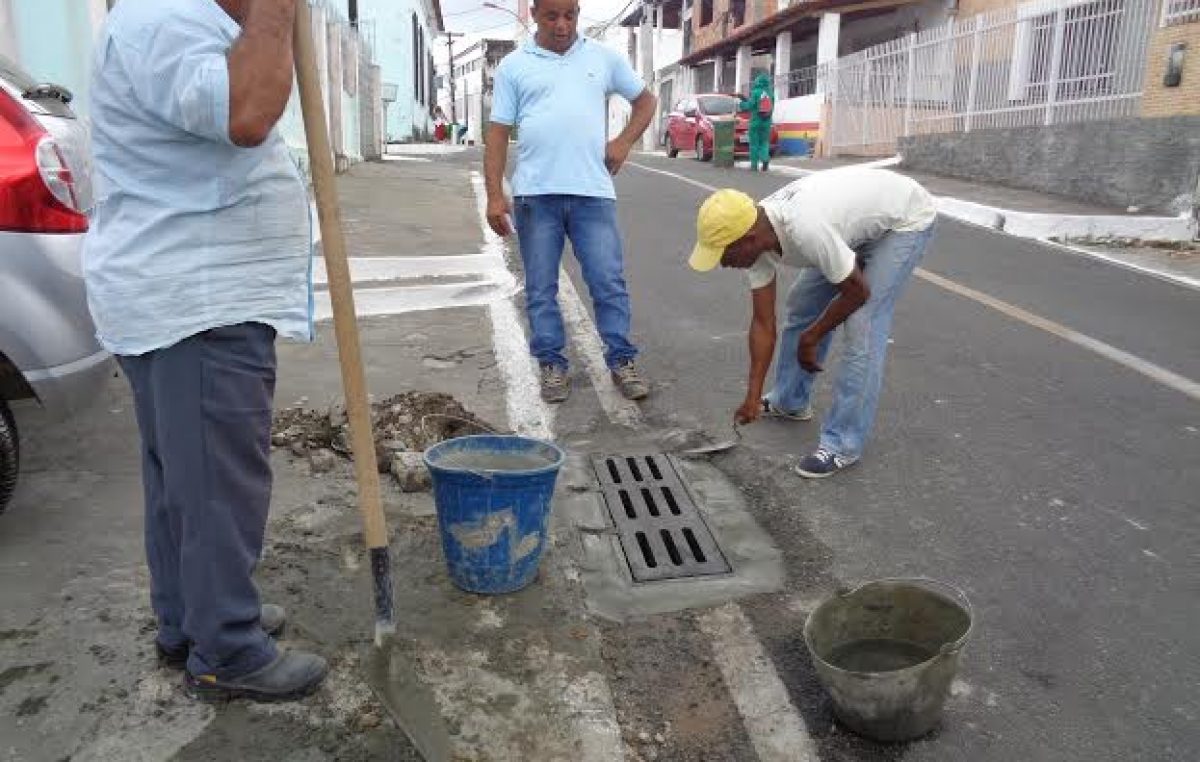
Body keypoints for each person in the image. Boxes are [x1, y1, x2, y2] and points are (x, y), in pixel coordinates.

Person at [83, 0, 327, 701]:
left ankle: (189, 621)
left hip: (183, 298)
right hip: (198, 301)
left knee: (184, 486)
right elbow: (245, 113)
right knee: (218, 490)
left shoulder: (165, 17)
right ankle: (228, 648)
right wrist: (277, 11)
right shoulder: (166, 20)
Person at [688, 168, 938, 478]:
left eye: (723, 254)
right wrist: (752, 395)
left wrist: (814, 335)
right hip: (847, 229)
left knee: (863, 323)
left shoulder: (803, 228)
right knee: (803, 303)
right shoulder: (753, 233)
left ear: (748, 239)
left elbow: (857, 292)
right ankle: (789, 400)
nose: (722, 263)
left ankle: (842, 444)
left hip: (902, 220)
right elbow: (763, 323)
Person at [484, 0, 657, 403]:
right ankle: (552, 365)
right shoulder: (514, 66)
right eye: (552, 16)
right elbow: (498, 133)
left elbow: (646, 101)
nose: (562, 25)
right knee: (541, 287)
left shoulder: (603, 58)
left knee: (608, 282)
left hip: (592, 194)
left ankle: (621, 360)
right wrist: (495, 196)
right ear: (534, 14)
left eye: (570, 15)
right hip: (535, 195)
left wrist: (623, 142)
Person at [739, 73, 774, 172]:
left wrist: (741, 104)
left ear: (757, 82)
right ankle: (765, 159)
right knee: (764, 143)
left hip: (755, 121)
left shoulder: (755, 92)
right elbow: (772, 108)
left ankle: (754, 166)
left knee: (754, 144)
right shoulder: (771, 93)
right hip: (766, 122)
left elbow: (750, 106)